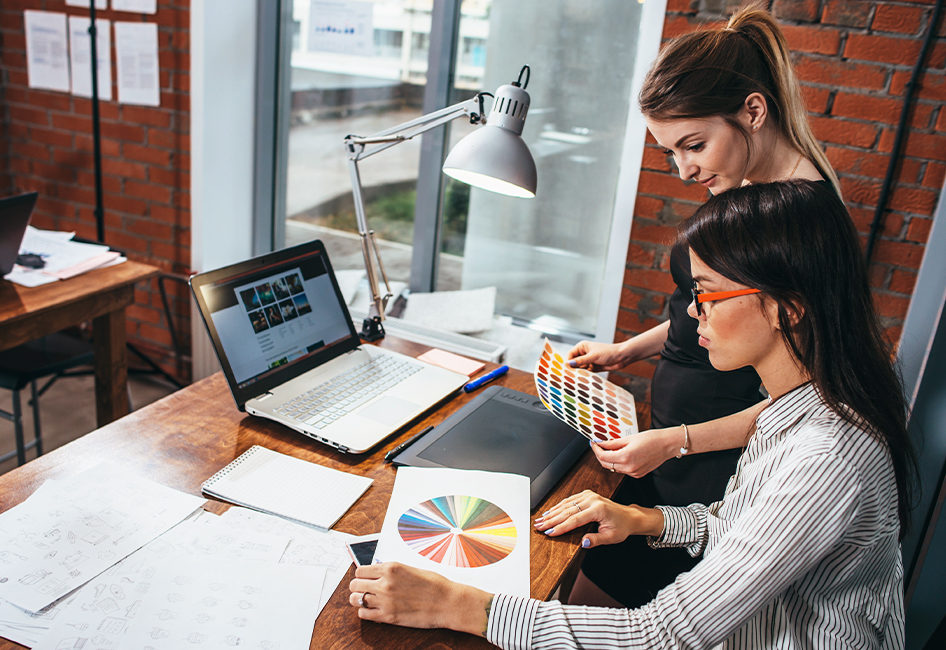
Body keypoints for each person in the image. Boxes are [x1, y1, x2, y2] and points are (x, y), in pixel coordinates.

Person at [348, 180, 914, 649]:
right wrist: (647, 521)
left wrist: (457, 603)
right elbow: (743, 531)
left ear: (786, 310)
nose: (692, 315)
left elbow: (659, 635)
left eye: (708, 295)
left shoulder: (825, 457)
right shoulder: (795, 406)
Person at [564, 5, 843, 607]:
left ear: (752, 110)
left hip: (709, 467)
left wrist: (677, 441)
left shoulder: (794, 217)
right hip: (670, 449)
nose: (684, 170)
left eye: (693, 145)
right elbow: (707, 307)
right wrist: (628, 350)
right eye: (670, 152)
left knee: (604, 602)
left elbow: (803, 405)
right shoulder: (745, 187)